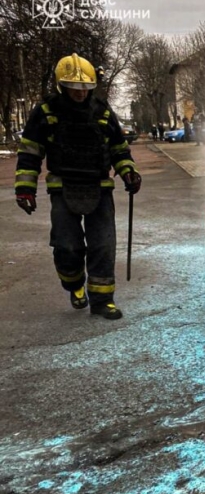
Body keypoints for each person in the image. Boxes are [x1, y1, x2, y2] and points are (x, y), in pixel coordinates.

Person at [14, 53, 141, 320]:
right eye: (75, 88)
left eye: (86, 88)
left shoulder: (103, 112)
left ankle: (102, 300)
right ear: (63, 86)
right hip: (63, 187)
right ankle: (74, 285)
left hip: (99, 187)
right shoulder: (46, 112)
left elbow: (119, 149)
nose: (81, 93)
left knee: (103, 246)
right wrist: (25, 188)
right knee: (67, 246)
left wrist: (128, 171)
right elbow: (30, 152)